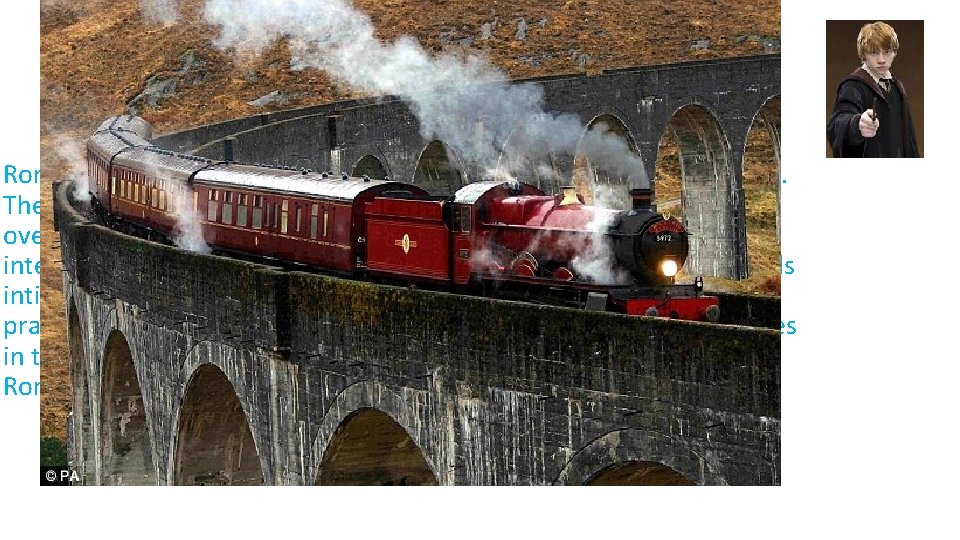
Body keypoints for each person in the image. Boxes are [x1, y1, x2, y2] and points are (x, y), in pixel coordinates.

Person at [827, 21, 920, 158]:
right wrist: (856, 124)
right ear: (864, 54)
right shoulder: (853, 86)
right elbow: (836, 125)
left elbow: (909, 140)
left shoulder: (897, 87)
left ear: (894, 52)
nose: (881, 59)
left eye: (887, 52)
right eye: (874, 52)